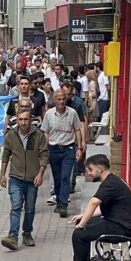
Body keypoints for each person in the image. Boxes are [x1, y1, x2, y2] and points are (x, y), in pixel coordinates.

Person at [62, 154, 131, 261]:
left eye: (90, 169)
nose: (89, 173)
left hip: (120, 228)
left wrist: (82, 225)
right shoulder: (111, 181)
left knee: (79, 234)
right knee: (84, 227)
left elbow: (93, 202)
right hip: (117, 223)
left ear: (100, 169)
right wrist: (83, 217)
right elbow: (103, 209)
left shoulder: (110, 184)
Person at [0, 109, 49, 251]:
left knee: (30, 208)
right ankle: (13, 237)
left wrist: (40, 174)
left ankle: (27, 233)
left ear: (30, 120)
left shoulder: (38, 135)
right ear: (17, 120)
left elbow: (44, 155)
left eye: (25, 119)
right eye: (20, 119)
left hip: (32, 178)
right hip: (15, 177)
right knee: (15, 207)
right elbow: (5, 156)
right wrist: (3, 175)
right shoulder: (11, 136)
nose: (23, 123)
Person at [40, 90, 84, 218]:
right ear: (54, 100)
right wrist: (44, 149)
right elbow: (46, 132)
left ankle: (64, 204)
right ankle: (59, 200)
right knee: (57, 177)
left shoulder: (72, 113)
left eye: (63, 99)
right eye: (58, 99)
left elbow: (77, 129)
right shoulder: (49, 114)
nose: (61, 102)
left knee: (66, 176)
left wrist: (79, 147)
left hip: (68, 149)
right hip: (54, 149)